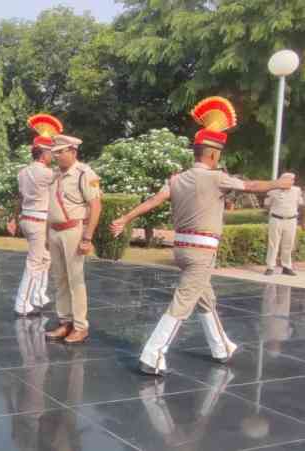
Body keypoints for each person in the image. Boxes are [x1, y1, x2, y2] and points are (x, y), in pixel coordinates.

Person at [110, 96, 293, 376]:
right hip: (203, 251)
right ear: (212, 154)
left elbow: (152, 202)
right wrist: (278, 183)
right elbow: (251, 185)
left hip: (181, 249)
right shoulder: (216, 177)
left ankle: (221, 346)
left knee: (205, 298)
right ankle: (153, 354)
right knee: (183, 301)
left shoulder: (177, 179)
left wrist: (124, 218)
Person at [43, 134, 102, 344]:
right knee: (59, 278)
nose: (57, 156)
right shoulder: (55, 175)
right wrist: (46, 235)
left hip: (74, 231)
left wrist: (87, 237)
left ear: (73, 152)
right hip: (55, 231)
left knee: (75, 280)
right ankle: (65, 321)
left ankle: (80, 326)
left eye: (61, 152)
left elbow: (95, 206)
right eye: (55, 152)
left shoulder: (84, 173)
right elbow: (51, 207)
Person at [8, 114, 61, 316]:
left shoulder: (22, 172)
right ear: (43, 153)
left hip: (27, 219)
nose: (54, 156)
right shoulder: (47, 173)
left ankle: (38, 295)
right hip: (39, 221)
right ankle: (22, 304)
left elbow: (19, 198)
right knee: (34, 262)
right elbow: (64, 175)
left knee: (45, 259)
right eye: (51, 152)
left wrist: (14, 218)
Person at [264, 172, 302, 276]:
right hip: (276, 220)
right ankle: (270, 267)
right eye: (288, 180)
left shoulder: (297, 190)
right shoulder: (273, 191)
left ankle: (286, 266)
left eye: (292, 180)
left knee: (288, 244)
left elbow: (301, 204)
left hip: (291, 220)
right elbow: (267, 205)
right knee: (273, 244)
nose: (291, 182)